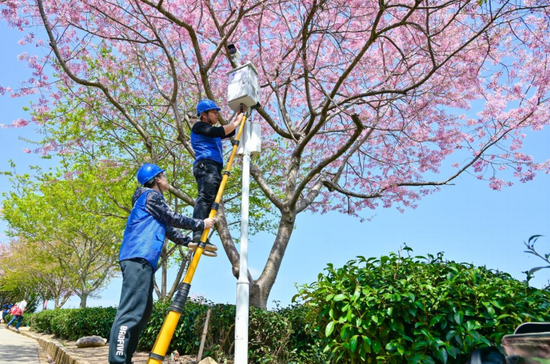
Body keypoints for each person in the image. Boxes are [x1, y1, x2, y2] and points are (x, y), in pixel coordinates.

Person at [108, 163, 215, 364]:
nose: (167, 179)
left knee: (143, 311)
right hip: (137, 258)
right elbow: (171, 217)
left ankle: (125, 359)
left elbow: (167, 227)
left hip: (142, 260)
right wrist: (202, 223)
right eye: (164, 175)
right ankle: (118, 360)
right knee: (131, 311)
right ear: (157, 179)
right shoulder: (150, 196)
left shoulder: (148, 201)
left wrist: (188, 241)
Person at [189, 99, 246, 256]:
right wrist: (235, 123)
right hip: (206, 166)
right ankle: (197, 234)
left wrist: (238, 117)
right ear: (204, 115)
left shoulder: (210, 131)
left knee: (210, 202)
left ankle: (203, 237)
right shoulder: (199, 126)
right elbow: (219, 131)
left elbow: (227, 131)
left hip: (213, 168)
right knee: (205, 197)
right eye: (214, 112)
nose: (217, 115)